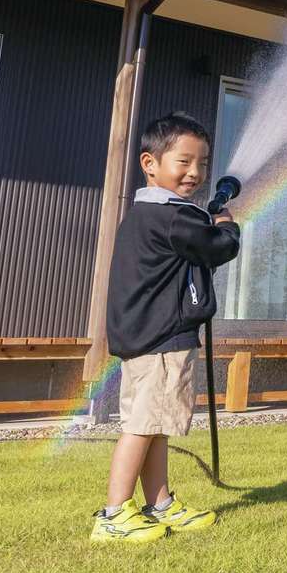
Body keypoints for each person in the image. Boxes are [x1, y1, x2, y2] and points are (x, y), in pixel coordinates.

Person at [90, 111, 240, 543]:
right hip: (161, 340)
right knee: (141, 426)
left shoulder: (147, 213)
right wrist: (226, 224)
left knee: (154, 424)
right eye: (184, 162)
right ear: (149, 163)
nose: (196, 172)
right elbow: (217, 248)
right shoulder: (174, 217)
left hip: (144, 337)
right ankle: (114, 514)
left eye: (203, 163)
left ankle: (160, 504)